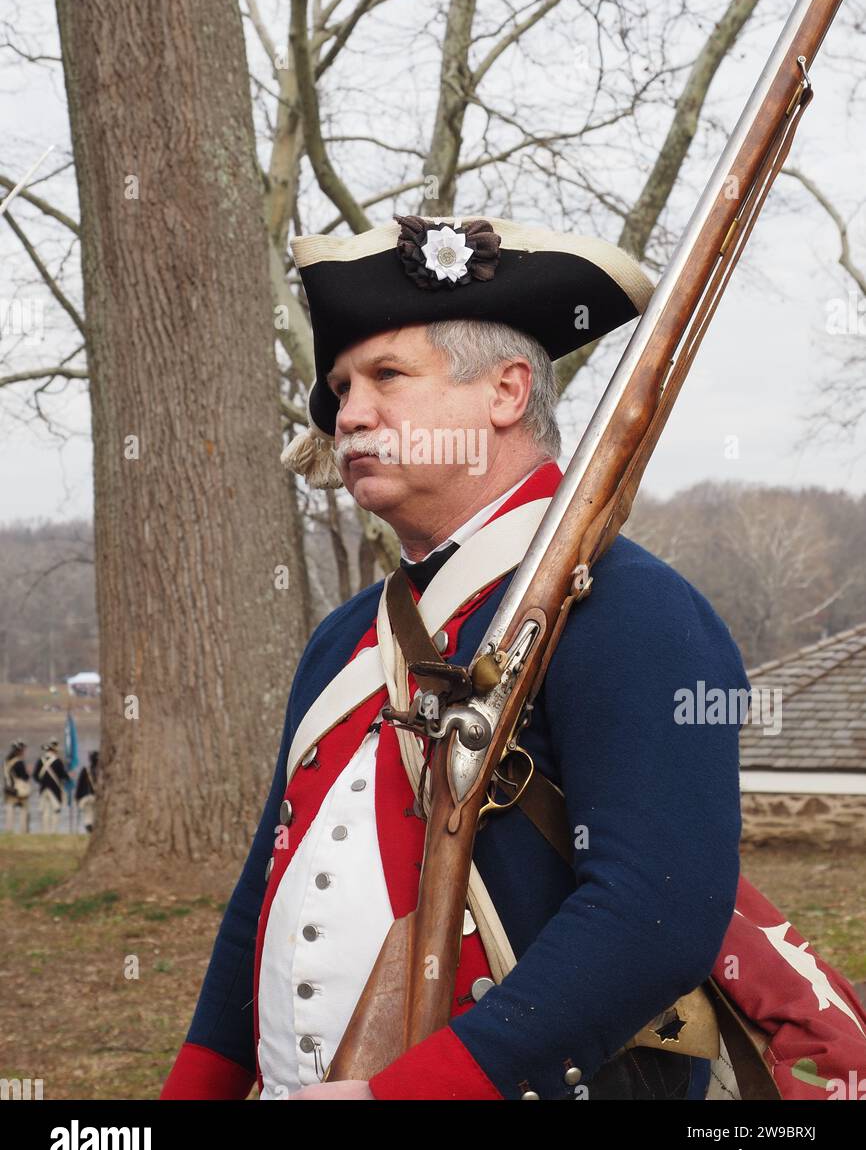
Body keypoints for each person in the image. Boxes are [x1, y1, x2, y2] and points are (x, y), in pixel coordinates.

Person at [162, 216, 746, 1102]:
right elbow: (263, 892)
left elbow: (652, 916)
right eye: (341, 387)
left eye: (387, 376)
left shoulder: (635, 611)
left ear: (507, 391)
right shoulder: (344, 637)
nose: (347, 413)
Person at [34, 738, 70, 834]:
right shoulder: (58, 761)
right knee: (56, 810)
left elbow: (35, 776)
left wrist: (42, 782)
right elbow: (63, 776)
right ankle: (53, 832)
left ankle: (45, 832)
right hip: (55, 790)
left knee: (45, 811)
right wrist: (69, 776)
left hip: (43, 789)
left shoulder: (40, 760)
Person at [3, 740, 31, 833]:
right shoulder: (19, 762)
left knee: (9, 811)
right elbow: (24, 777)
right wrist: (28, 772)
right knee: (24, 810)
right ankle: (23, 831)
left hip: (8, 789)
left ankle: (8, 831)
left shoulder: (6, 762)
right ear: (20, 751)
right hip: (19, 790)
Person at [75, 750, 99, 833]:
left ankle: (89, 829)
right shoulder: (101, 771)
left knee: (88, 816)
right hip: (96, 797)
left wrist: (77, 797)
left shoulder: (85, 770)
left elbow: (79, 784)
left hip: (85, 797)